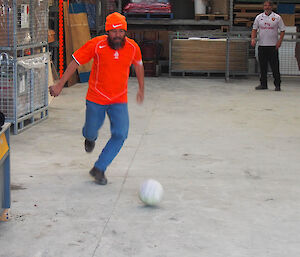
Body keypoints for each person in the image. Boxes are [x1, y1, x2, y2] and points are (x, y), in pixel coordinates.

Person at [49, 12, 144, 185]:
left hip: (119, 99)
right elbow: (75, 62)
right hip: (96, 97)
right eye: (114, 32)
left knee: (121, 134)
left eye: (121, 31)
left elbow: (138, 66)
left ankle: (99, 168)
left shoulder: (132, 47)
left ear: (125, 31)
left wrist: (141, 89)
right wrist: (60, 84)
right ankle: (89, 137)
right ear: (107, 31)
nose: (118, 35)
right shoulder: (97, 44)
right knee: (92, 130)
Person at [251, 0, 285, 91]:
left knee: (275, 67)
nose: (267, 7)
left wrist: (279, 41)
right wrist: (253, 39)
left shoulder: (277, 17)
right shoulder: (259, 17)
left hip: (273, 46)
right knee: (262, 67)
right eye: (265, 5)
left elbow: (282, 30)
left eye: (269, 5)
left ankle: (277, 85)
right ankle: (263, 84)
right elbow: (254, 29)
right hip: (262, 45)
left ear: (272, 7)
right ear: (263, 7)